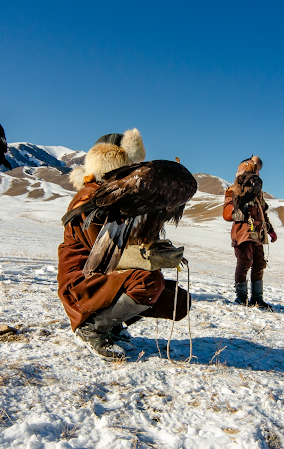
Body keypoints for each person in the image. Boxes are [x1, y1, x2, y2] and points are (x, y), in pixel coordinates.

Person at [57, 130, 190, 359]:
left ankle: (112, 323)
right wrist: (149, 257)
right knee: (148, 281)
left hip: (101, 276)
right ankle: (93, 328)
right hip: (82, 282)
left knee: (176, 300)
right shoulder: (90, 199)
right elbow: (104, 253)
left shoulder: (119, 197)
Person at [222, 155, 277, 308]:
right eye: (256, 170)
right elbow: (226, 214)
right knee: (244, 263)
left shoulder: (258, 192)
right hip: (242, 232)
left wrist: (271, 230)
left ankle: (257, 299)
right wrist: (238, 207)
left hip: (258, 233)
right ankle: (241, 298)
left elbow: (262, 213)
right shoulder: (232, 190)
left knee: (259, 264)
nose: (258, 174)